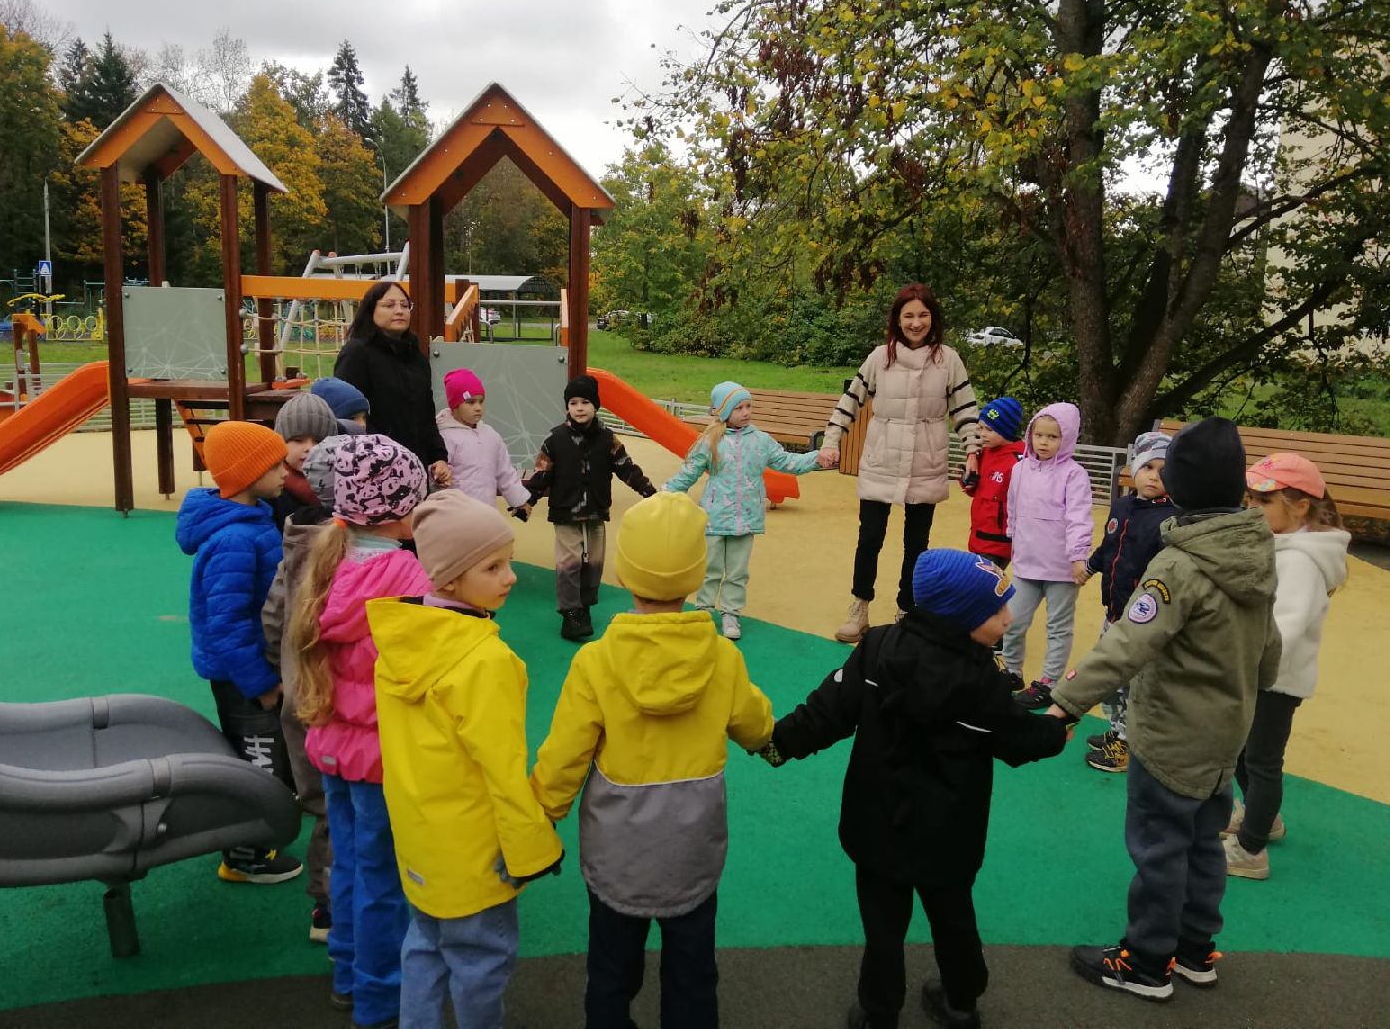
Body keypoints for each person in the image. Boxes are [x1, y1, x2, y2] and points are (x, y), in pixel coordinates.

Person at [761, 549, 1070, 1029]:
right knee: (952, 916)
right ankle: (961, 1002)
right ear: (959, 619)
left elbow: (828, 711)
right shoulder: (978, 681)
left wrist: (777, 744)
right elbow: (1017, 738)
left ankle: (878, 1011)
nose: (1009, 616)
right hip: (950, 833)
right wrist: (1056, 728)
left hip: (877, 823)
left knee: (883, 925)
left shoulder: (877, 649)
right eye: (996, 610)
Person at [1045, 417, 1280, 1001]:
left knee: (1160, 846)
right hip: (1227, 732)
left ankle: (1147, 960)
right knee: (1202, 842)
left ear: (1180, 486)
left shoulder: (1180, 564)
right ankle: (1195, 949)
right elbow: (1269, 649)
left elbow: (1128, 642)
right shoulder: (1254, 554)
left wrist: (1066, 704)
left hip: (1173, 733)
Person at [531, 493, 774, 1029]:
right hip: (692, 846)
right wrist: (770, 740)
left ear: (626, 569)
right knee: (692, 970)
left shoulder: (596, 661)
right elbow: (756, 726)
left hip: (618, 848)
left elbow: (566, 753)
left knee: (611, 970)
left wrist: (542, 813)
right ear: (695, 573)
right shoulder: (721, 656)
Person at [370, 490, 564, 1029]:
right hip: (476, 850)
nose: (511, 577)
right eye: (493, 566)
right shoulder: (485, 660)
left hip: (421, 841)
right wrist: (530, 849)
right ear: (451, 578)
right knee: (481, 961)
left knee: (425, 948)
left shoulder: (402, 643)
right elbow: (502, 769)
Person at [288, 435, 430, 1029]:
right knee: (382, 879)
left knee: (348, 863)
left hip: (333, 743)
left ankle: (347, 971)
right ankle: (379, 997)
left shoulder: (334, 557)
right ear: (398, 510)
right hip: (378, 754)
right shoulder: (403, 573)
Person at [816, 283, 982, 644]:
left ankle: (908, 609)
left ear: (933, 318)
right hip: (882, 456)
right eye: (908, 315)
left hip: (926, 457)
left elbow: (966, 410)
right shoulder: (880, 357)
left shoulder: (948, 359)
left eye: (923, 315)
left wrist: (973, 452)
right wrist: (831, 441)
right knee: (870, 537)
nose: (916, 322)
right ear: (897, 319)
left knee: (916, 543)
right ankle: (859, 607)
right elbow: (850, 401)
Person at [173, 419, 302, 884]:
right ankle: (244, 854)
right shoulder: (234, 540)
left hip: (254, 665)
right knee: (257, 758)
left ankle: (256, 835)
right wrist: (261, 684)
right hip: (243, 674)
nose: (286, 472)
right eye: (275, 465)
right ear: (249, 475)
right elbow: (228, 625)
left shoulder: (251, 521)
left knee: (268, 754)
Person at [1224, 453, 1349, 880]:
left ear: (1300, 506)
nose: (1252, 508)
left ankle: (1252, 849)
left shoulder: (1299, 560)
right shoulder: (1280, 543)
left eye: (1265, 500)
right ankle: (1265, 819)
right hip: (1259, 673)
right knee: (1243, 754)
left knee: (1260, 761)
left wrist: (1238, 659)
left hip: (1275, 679)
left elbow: (1285, 628)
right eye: (1250, 499)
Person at [262, 433, 350, 942]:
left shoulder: (294, 545)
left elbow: (274, 616)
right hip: (335, 701)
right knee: (339, 807)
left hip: (299, 695)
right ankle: (332, 906)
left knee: (320, 801)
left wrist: (281, 670)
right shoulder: (349, 557)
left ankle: (326, 906)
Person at [662, 381, 832, 639]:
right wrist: (665, 493)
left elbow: (787, 461)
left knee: (738, 571)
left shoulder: (761, 441)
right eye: (738, 407)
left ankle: (731, 613)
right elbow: (689, 472)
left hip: (746, 518)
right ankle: (704, 610)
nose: (746, 412)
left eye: (748, 406)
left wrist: (815, 458)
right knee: (710, 567)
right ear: (723, 411)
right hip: (714, 517)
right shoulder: (710, 442)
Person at [524, 374, 657, 641]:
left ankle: (584, 605)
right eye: (573, 403)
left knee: (594, 561)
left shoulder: (608, 439)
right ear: (567, 408)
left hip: (596, 509)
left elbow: (626, 468)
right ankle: (570, 612)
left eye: (585, 402)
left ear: (596, 406)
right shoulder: (555, 440)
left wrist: (648, 491)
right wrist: (526, 500)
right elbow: (541, 475)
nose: (580, 408)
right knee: (569, 562)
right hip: (565, 511)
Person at [1081, 432, 1178, 772]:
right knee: (1108, 677)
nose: (1154, 475)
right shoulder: (1122, 505)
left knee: (1127, 683)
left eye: (1164, 470)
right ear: (1134, 468)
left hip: (1142, 620)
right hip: (1114, 611)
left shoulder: (1171, 519)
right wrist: (1091, 568)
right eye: (1148, 466)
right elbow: (1109, 545)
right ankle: (1117, 731)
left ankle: (1125, 743)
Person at [1003, 404, 1094, 707]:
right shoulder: (1019, 469)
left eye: (1052, 436)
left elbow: (1080, 517)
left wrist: (1078, 557)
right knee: (1013, 621)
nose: (1043, 442)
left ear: (1066, 439)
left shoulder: (1074, 475)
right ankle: (1012, 671)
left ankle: (1048, 683)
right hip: (1027, 564)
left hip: (1061, 569)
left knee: (1058, 626)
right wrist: (1012, 537)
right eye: (1038, 435)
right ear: (1029, 435)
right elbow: (1013, 508)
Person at [333, 281, 451, 485]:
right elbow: (345, 416)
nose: (399, 311)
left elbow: (425, 413)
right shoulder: (357, 353)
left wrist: (438, 456)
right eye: (389, 305)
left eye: (405, 306)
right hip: (372, 470)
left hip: (414, 466)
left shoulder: (416, 357)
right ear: (371, 310)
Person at [435, 367, 533, 519]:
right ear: (455, 405)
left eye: (481, 401)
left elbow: (505, 472)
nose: (478, 408)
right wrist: (438, 477)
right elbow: (436, 472)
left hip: (487, 514)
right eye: (470, 402)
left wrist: (519, 501)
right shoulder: (444, 437)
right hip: (454, 517)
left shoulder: (491, 435)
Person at [962, 396, 1024, 569]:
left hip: (999, 542)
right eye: (980, 428)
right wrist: (967, 481)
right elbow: (976, 489)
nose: (982, 434)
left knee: (983, 587)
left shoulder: (1019, 461)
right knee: (976, 585)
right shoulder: (985, 453)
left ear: (1006, 430)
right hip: (978, 534)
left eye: (989, 430)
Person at [271, 391, 341, 528]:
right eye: (298, 440)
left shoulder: (346, 484)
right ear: (280, 443)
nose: (310, 448)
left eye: (319, 441)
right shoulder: (271, 490)